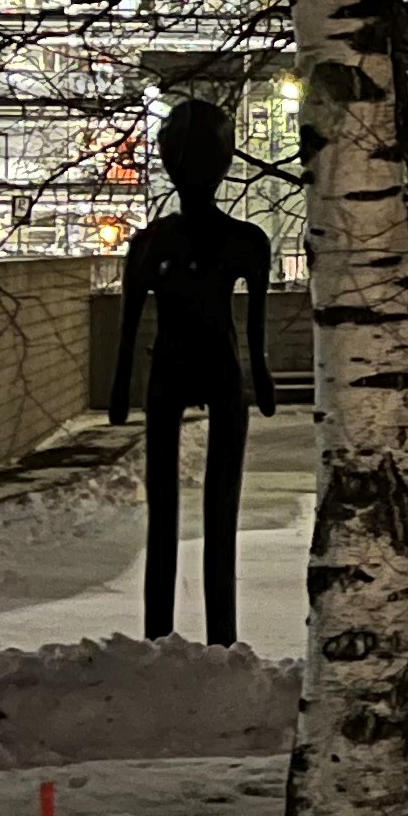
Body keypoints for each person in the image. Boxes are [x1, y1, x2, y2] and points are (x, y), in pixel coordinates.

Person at [107, 98, 279, 644]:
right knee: (204, 515)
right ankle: (208, 641)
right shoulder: (238, 241)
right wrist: (262, 380)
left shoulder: (161, 241)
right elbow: (252, 332)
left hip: (185, 371)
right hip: (211, 371)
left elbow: (131, 327)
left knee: (183, 514)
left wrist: (120, 389)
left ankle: (176, 639)